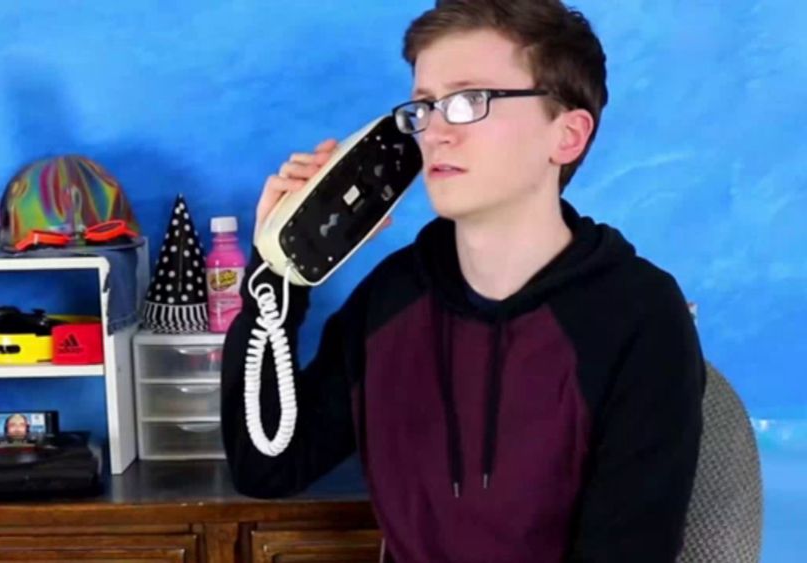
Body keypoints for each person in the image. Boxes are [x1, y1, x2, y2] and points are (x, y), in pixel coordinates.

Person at [220, 1, 706, 561]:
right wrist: (278, 273)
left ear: (566, 136)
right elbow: (268, 467)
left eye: (470, 101)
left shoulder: (640, 316)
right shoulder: (393, 297)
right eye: (424, 106)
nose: (436, 133)